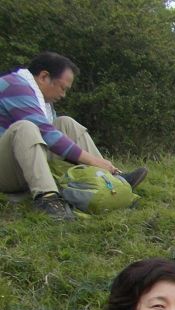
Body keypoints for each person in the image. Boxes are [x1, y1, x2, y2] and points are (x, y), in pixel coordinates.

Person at [0, 52, 147, 221]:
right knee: (25, 128)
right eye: (63, 88)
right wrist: (92, 160)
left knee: (65, 122)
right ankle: (48, 199)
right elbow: (46, 133)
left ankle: (110, 180)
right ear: (44, 76)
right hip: (5, 173)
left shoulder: (41, 99)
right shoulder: (14, 85)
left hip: (19, 166)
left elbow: (51, 133)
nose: (63, 95)